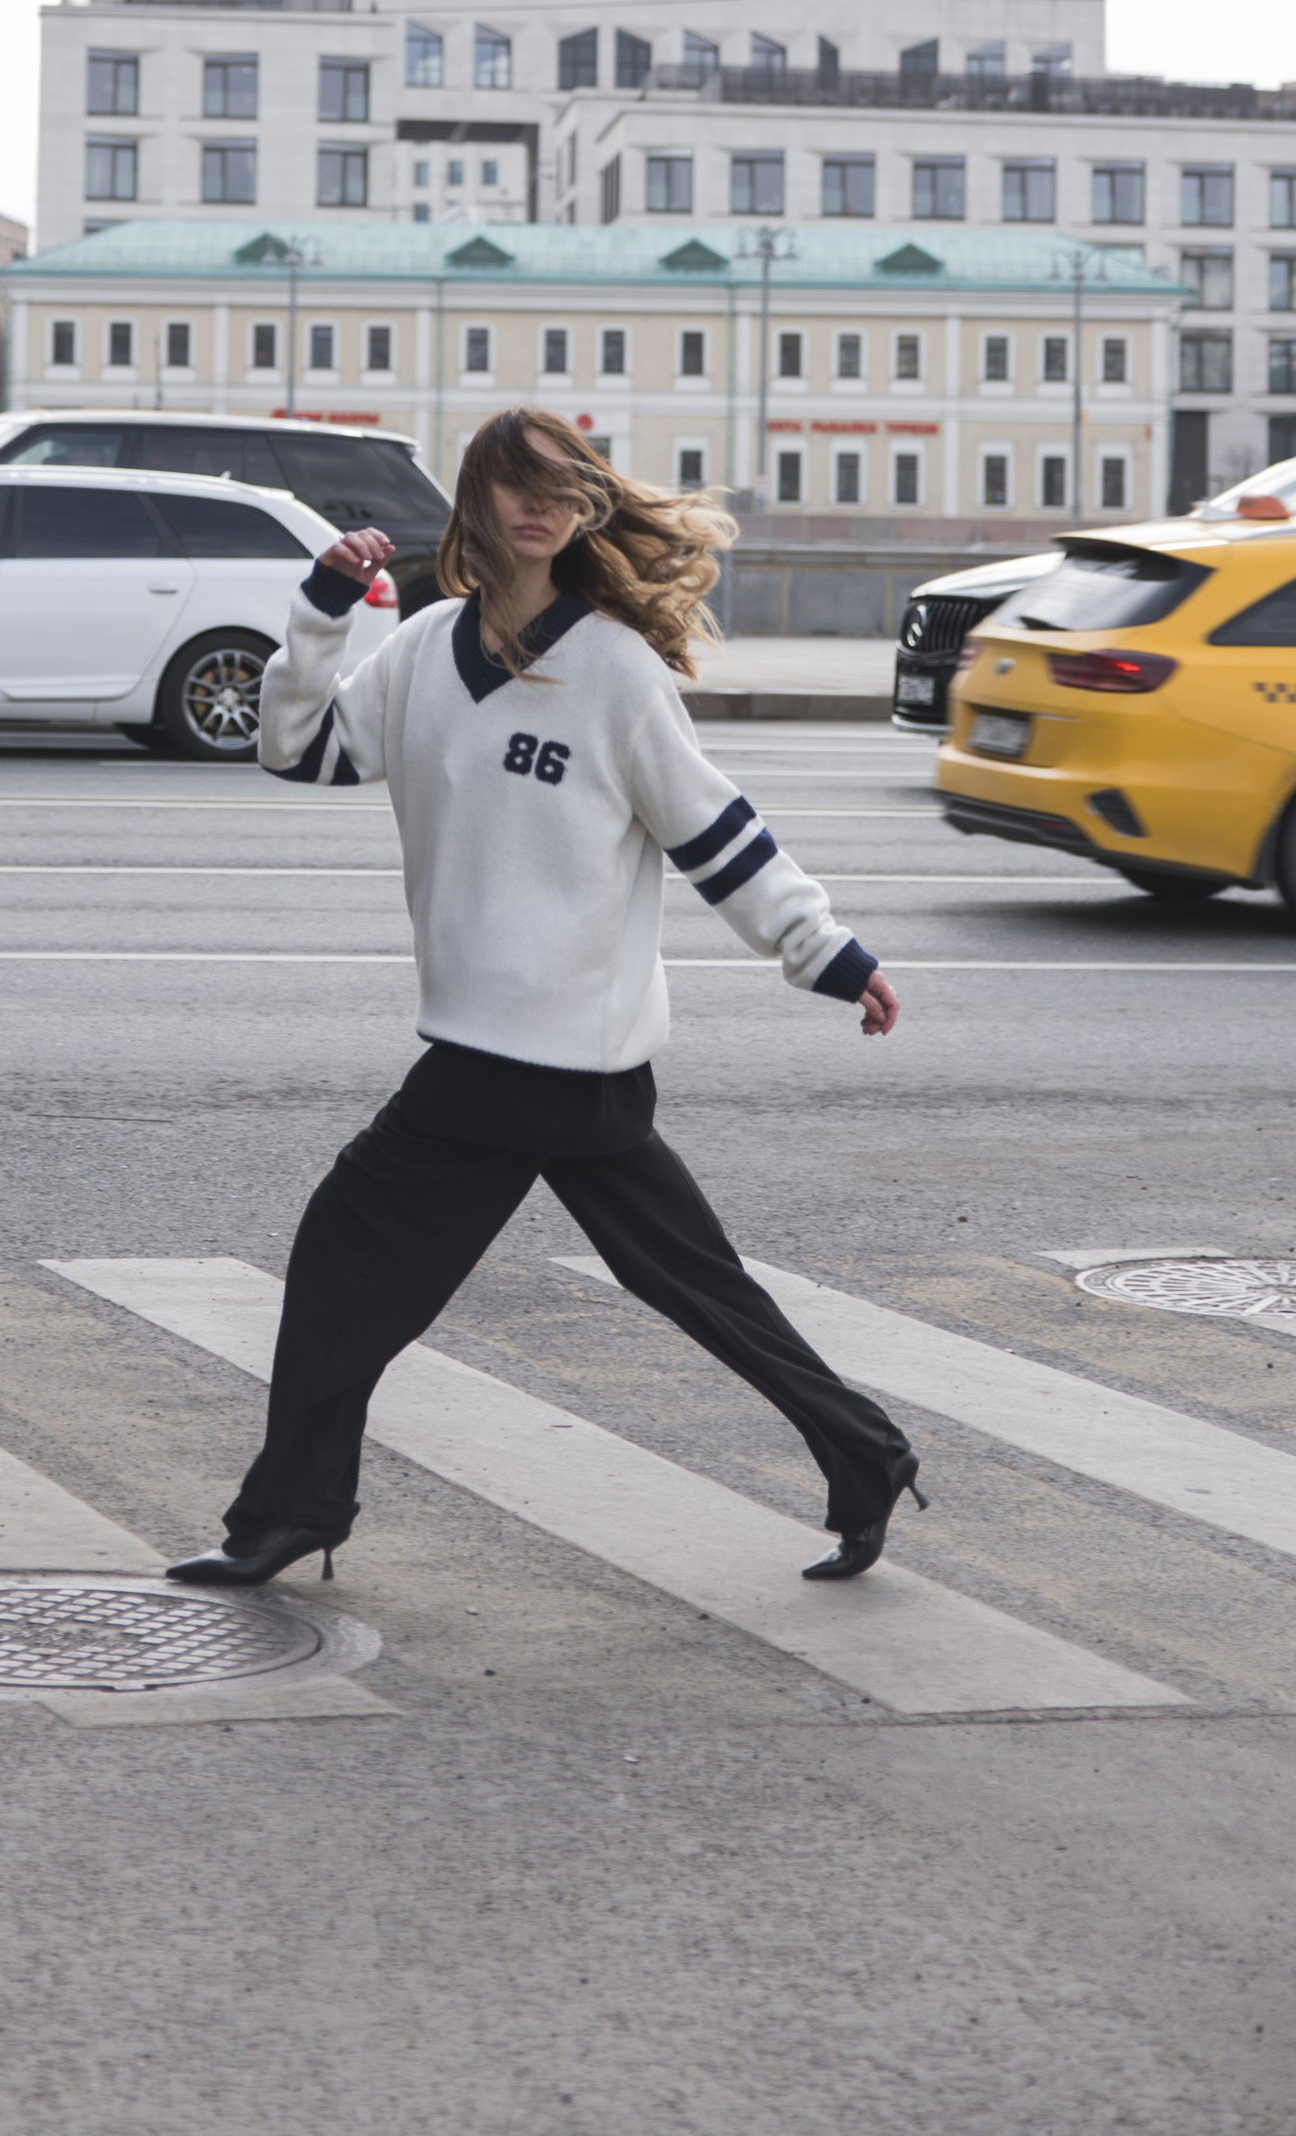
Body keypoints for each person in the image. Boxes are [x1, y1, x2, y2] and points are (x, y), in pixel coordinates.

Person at [168, 407, 921, 1594]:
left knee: (342, 1263)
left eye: (564, 491)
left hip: (537, 1057)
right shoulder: (422, 649)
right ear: (477, 501)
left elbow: (713, 829)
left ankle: (291, 1512)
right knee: (686, 1279)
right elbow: (296, 749)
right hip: (521, 1058)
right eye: (518, 486)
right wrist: (317, 613)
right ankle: (865, 1452)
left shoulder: (610, 667)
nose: (541, 509)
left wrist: (823, 953)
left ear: (583, 512)